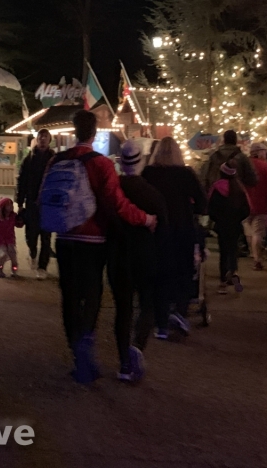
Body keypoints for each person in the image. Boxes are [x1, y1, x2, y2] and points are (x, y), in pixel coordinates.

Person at [49, 109, 157, 384]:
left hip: (63, 237)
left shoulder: (57, 160)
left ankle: (76, 352)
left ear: (74, 131)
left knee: (69, 295)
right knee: (91, 294)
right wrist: (144, 218)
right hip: (92, 239)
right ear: (94, 133)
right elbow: (115, 203)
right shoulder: (100, 164)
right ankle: (86, 340)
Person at [109, 140, 166, 382]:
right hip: (145, 255)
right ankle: (137, 346)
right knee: (146, 303)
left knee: (122, 308)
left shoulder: (113, 191)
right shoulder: (151, 193)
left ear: (120, 163)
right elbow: (163, 228)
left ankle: (124, 361)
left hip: (118, 255)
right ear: (141, 161)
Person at [142, 136, 207, 339]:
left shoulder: (149, 173)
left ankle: (160, 323)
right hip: (182, 228)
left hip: (157, 229)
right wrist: (190, 209)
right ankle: (179, 310)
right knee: (184, 271)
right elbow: (203, 202)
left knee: (160, 274)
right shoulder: (185, 174)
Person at [16, 128, 55, 278]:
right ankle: (32, 251)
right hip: (32, 202)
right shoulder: (29, 158)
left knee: (46, 236)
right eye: (41, 137)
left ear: (49, 140)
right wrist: (20, 202)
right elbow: (22, 181)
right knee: (31, 234)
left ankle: (42, 267)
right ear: (37, 139)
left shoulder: (54, 159)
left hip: (48, 204)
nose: (43, 139)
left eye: (46, 137)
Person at [208, 162, 250, 294]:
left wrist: (217, 219)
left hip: (222, 225)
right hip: (235, 225)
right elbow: (246, 209)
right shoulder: (239, 188)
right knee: (233, 249)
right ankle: (233, 272)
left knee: (223, 252)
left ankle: (223, 282)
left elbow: (210, 207)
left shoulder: (217, 187)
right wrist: (238, 218)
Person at [244, 141, 267, 270]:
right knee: (258, 232)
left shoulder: (243, 166)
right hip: (262, 204)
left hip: (244, 203)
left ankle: (252, 252)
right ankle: (257, 258)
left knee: (248, 230)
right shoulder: (266, 167)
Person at [0, 197, 24, 278]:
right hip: (0, 240)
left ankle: (14, 270)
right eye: (8, 205)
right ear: (3, 207)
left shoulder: (13, 216)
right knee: (3, 255)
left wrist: (22, 220)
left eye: (11, 205)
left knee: (13, 255)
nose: (11, 207)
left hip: (10, 239)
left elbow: (18, 225)